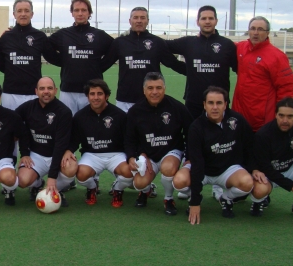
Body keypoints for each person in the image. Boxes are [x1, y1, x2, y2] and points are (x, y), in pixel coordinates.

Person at [172, 87, 259, 223]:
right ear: (204, 105)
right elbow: (197, 163)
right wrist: (195, 201)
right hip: (203, 171)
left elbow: (250, 146)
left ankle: (226, 198)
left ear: (225, 104)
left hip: (227, 170)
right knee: (179, 181)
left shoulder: (237, 120)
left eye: (219, 103)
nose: (215, 107)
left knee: (247, 183)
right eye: (210, 103)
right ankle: (194, 197)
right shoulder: (196, 127)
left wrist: (254, 168)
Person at [124, 72, 193, 215]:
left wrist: (189, 159)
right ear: (144, 90)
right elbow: (129, 138)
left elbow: (190, 134)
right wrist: (132, 156)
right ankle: (146, 191)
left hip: (171, 151)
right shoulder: (135, 111)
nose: (154, 92)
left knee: (168, 167)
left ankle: (168, 199)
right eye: (150, 88)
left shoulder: (177, 108)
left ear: (164, 89)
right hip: (148, 155)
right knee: (139, 183)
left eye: (158, 88)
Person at [102, 7, 185, 112]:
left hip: (151, 99)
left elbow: (173, 63)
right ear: (130, 21)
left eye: (142, 18)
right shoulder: (119, 42)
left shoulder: (157, 42)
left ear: (147, 21)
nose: (139, 21)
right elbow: (104, 64)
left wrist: (194, 73)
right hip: (125, 100)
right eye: (135, 17)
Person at [66, 79, 133, 207]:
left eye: (99, 94)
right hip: (92, 154)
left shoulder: (119, 115)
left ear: (107, 96)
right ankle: (92, 188)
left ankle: (118, 190)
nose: (96, 97)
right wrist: (69, 150)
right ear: (87, 96)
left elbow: (128, 139)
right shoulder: (80, 116)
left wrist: (130, 157)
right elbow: (75, 139)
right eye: (92, 94)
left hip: (116, 154)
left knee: (129, 172)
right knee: (81, 174)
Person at [166, 6, 237, 118]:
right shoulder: (188, 43)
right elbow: (162, 46)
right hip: (194, 102)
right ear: (198, 22)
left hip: (218, 103)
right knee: (193, 134)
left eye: (211, 18)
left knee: (220, 134)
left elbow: (240, 69)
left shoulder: (227, 45)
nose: (207, 21)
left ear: (216, 21)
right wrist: (184, 69)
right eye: (203, 18)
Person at [48, 0, 113, 115]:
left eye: (84, 10)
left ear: (89, 13)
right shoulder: (63, 34)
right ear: (72, 13)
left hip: (92, 91)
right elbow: (45, 47)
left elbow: (115, 51)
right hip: (68, 91)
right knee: (68, 124)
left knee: (90, 125)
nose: (80, 13)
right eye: (76, 10)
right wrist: (64, 61)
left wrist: (99, 67)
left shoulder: (99, 35)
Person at [16, 77, 75, 207]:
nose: (46, 91)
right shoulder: (28, 107)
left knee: (71, 167)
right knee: (21, 181)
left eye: (49, 88)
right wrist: (24, 153)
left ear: (55, 90)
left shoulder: (64, 112)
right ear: (36, 91)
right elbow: (9, 119)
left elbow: (60, 146)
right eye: (42, 88)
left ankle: (55, 188)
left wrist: (52, 178)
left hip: (57, 155)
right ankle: (37, 185)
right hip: (37, 155)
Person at [233, 16, 293, 132]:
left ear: (267, 33)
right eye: (253, 28)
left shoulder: (277, 57)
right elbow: (223, 46)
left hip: (262, 119)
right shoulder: (241, 48)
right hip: (240, 114)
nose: (256, 33)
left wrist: (282, 114)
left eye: (260, 29)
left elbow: (286, 87)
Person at [0, 0, 58, 111]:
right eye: (19, 11)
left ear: (32, 14)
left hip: (33, 93)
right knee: (11, 127)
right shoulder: (6, 37)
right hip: (10, 93)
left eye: (26, 11)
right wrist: (11, 69)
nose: (23, 14)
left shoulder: (40, 36)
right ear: (14, 14)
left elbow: (53, 57)